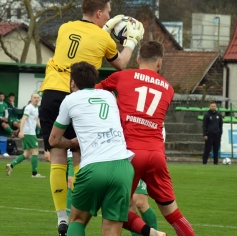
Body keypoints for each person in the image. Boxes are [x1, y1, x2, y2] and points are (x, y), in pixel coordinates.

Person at [38, 0, 144, 235]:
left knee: (56, 156)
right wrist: (130, 42)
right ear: (99, 13)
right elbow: (121, 63)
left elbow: (82, 40)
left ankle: (61, 217)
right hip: (77, 96)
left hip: (52, 92)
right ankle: (78, 211)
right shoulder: (103, 39)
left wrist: (103, 28)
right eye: (107, 11)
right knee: (79, 156)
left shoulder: (65, 27)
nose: (109, 14)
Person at [96, 40, 195, 236]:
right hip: (156, 154)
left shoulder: (122, 77)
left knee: (115, 211)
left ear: (138, 58)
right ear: (160, 63)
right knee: (173, 213)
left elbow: (93, 93)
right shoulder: (168, 88)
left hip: (131, 153)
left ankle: (152, 233)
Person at [48, 62, 137, 236]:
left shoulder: (70, 100)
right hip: (122, 166)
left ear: (73, 82)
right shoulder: (108, 96)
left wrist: (72, 143)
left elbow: (53, 139)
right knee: (111, 227)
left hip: (94, 167)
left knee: (77, 220)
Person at [130, 123, 166, 236]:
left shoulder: (147, 114)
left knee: (140, 202)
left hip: (142, 156)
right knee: (128, 206)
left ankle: (154, 233)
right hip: (126, 159)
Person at [6, 93, 44, 178]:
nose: (36, 99)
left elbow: (36, 120)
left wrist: (43, 128)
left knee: (26, 154)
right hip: (29, 133)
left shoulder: (36, 108)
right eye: (34, 97)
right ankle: (34, 173)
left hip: (30, 132)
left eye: (38, 98)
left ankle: (11, 165)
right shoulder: (29, 107)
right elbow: (23, 120)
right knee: (35, 151)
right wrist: (21, 132)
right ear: (31, 99)